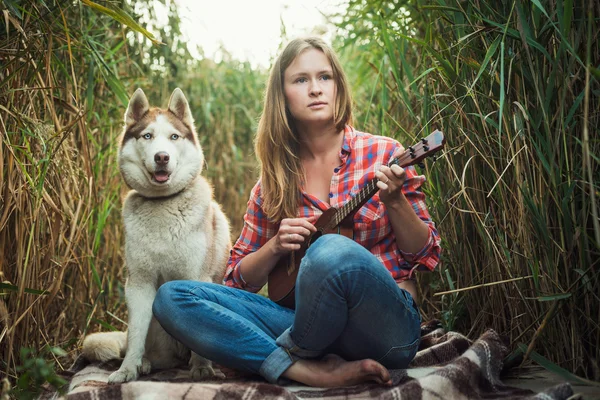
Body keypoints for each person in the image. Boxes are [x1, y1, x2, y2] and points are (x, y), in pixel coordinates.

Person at [152, 37, 441, 388]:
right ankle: (304, 370)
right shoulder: (271, 183)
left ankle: (286, 354)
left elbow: (424, 253)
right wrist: (275, 246)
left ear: (338, 86)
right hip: (302, 319)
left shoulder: (385, 153)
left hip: (384, 329)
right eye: (301, 80)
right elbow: (237, 280)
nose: (316, 89)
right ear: (282, 95)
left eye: (325, 77)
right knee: (173, 297)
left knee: (330, 251)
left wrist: (395, 202)